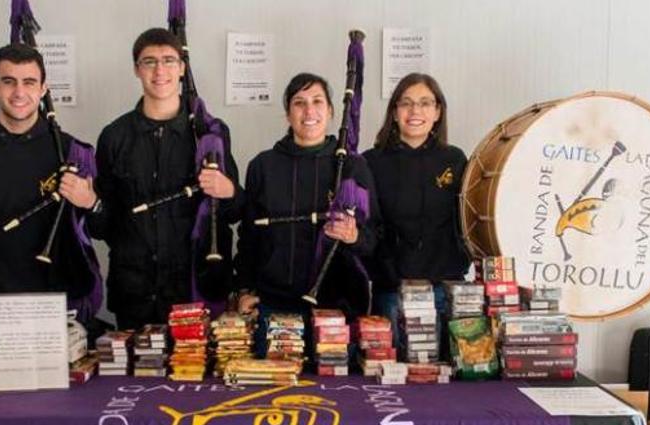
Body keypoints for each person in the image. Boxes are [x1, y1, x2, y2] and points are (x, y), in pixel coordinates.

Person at [88, 28, 241, 329]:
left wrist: (229, 191)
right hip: (134, 293)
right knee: (133, 376)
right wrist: (91, 204)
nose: (160, 70)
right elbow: (103, 226)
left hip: (195, 290)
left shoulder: (211, 134)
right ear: (136, 69)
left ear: (183, 67)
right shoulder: (113, 137)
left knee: (195, 376)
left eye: (169, 60)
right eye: (149, 61)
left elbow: (235, 212)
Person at [0, 43, 101, 325]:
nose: (19, 93)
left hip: (61, 305)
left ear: (43, 88)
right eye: (8, 82)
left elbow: (105, 227)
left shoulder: (71, 151)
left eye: (29, 82)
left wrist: (90, 202)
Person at [236, 73, 381, 353]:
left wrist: (354, 237)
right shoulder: (262, 166)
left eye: (317, 101)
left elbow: (375, 238)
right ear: (287, 114)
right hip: (274, 305)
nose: (309, 111)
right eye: (299, 103)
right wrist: (244, 289)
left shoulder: (353, 167)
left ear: (330, 111)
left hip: (337, 310)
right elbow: (249, 238)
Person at [362, 73, 469, 359]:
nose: (415, 111)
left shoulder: (455, 160)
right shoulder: (370, 162)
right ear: (394, 113)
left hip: (444, 291)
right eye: (406, 103)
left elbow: (468, 223)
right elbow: (367, 228)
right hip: (391, 292)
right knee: (391, 381)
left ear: (437, 112)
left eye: (425, 103)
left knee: (443, 385)